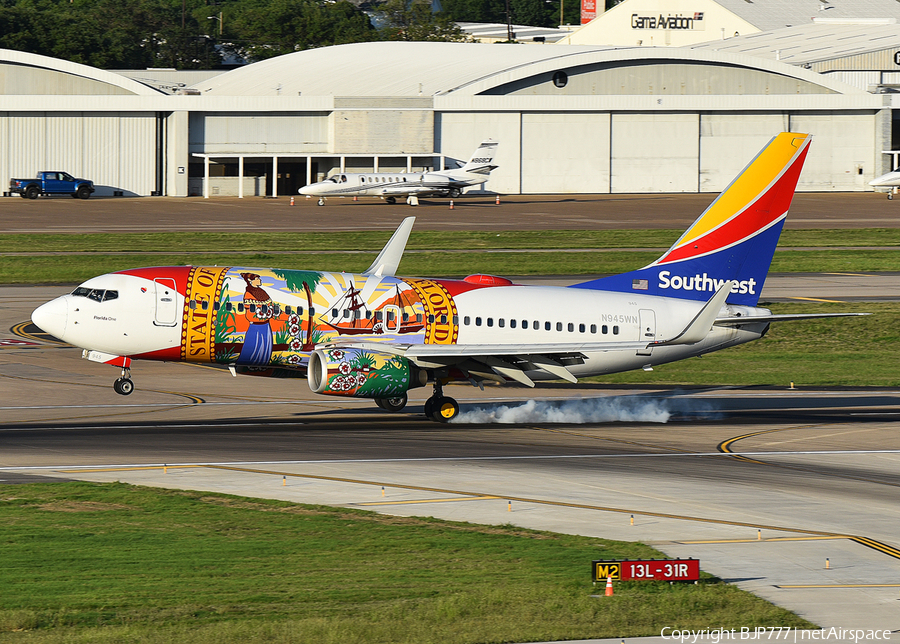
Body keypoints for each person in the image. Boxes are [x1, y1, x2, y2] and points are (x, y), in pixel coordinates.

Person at [237, 272, 275, 365]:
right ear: (250, 281)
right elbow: (250, 312)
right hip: (256, 326)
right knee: (253, 348)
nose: (259, 280)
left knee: (265, 348)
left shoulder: (262, 292)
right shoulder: (249, 294)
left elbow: (271, 306)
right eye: (257, 279)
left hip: (266, 325)